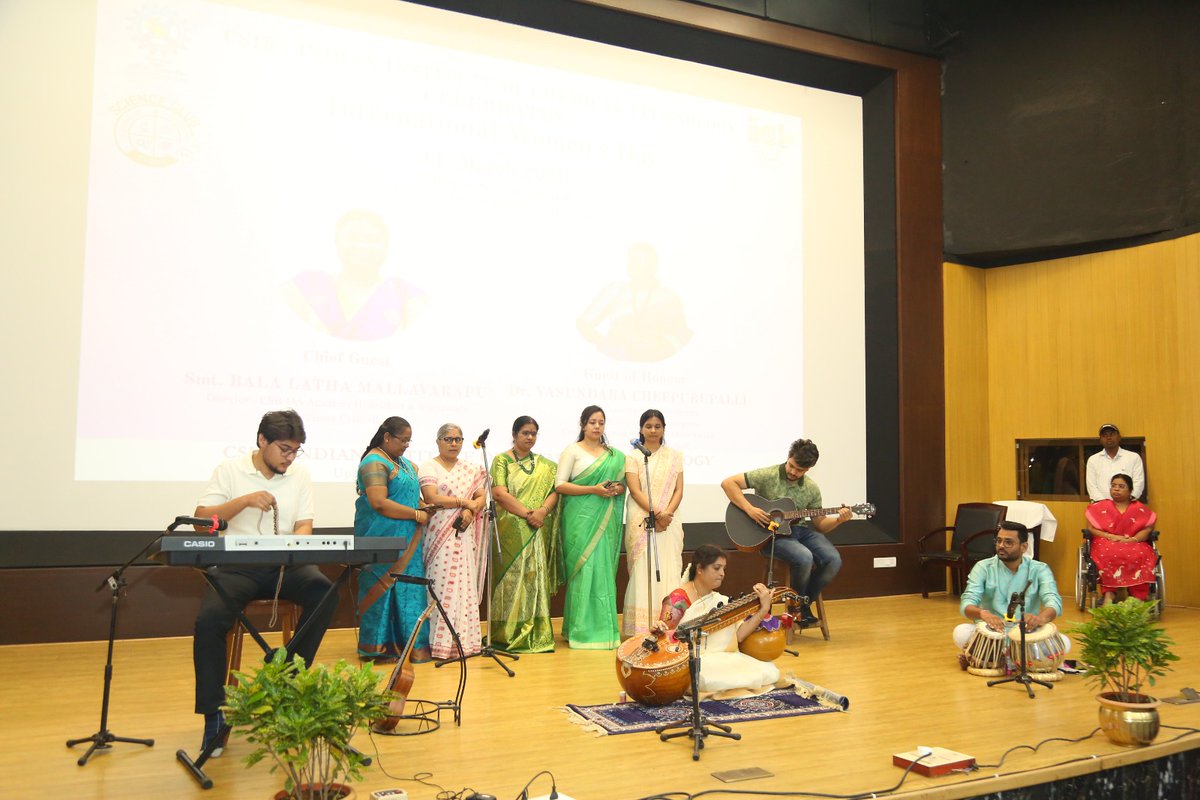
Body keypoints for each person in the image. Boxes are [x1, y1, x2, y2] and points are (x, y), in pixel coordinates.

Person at [192, 410, 336, 756]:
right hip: (236, 568)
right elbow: (200, 522)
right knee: (209, 620)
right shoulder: (230, 470)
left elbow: (304, 525)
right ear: (262, 441)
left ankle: (283, 678)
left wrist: (295, 546)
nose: (290, 457)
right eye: (284, 449)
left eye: (295, 451)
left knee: (325, 591)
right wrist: (244, 501)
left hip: (284, 566)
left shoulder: (300, 475)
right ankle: (215, 713)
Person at [720, 438, 850, 628]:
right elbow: (728, 483)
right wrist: (750, 509)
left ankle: (801, 603)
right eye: (792, 466)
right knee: (804, 557)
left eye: (800, 470)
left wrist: (838, 519)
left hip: (800, 531)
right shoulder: (768, 474)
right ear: (789, 457)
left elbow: (821, 524)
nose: (793, 472)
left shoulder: (811, 488)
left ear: (808, 469)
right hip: (771, 535)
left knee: (833, 559)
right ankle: (799, 608)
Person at [651, 544, 779, 696]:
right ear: (700, 569)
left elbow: (738, 635)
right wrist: (659, 629)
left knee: (769, 671)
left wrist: (763, 609)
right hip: (694, 660)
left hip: (724, 657)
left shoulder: (720, 600)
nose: (722, 574)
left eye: (724, 569)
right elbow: (665, 638)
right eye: (717, 568)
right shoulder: (678, 600)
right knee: (707, 678)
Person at [354, 417, 432, 663]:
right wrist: (417, 514)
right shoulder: (373, 462)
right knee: (381, 590)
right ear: (387, 437)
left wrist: (425, 507)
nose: (406, 445)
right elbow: (379, 502)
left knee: (410, 591)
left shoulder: (407, 464)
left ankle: (410, 647)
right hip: (382, 539)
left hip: (409, 538)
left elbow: (410, 498)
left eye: (409, 441)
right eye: (403, 440)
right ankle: (376, 648)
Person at [286, 208, 426, 340]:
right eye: (353, 238)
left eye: (372, 240)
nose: (362, 246)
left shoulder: (407, 297)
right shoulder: (305, 288)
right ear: (337, 243)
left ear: (386, 247)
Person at [555, 405, 626, 649]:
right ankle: (579, 631)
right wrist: (593, 490)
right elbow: (560, 485)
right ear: (583, 425)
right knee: (583, 572)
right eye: (592, 422)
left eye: (601, 422)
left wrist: (618, 489)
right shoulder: (572, 451)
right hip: (580, 520)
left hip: (605, 521)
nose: (597, 427)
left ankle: (604, 632)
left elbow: (622, 485)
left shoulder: (614, 455)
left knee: (603, 572)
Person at [489, 416, 561, 653]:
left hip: (536, 530)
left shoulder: (547, 466)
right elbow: (499, 493)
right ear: (514, 434)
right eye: (525, 433)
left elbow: (554, 492)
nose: (529, 437)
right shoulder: (501, 461)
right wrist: (528, 514)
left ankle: (536, 635)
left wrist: (541, 512)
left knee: (533, 579)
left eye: (533, 433)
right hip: (511, 531)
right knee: (510, 582)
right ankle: (506, 635)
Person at [419, 424, 488, 660]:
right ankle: (440, 645)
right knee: (440, 587)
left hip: (464, 535)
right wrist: (463, 502)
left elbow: (480, 497)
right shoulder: (430, 466)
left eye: (458, 439)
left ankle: (465, 644)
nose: (454, 443)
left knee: (464, 588)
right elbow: (431, 498)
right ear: (438, 441)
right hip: (439, 536)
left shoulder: (470, 469)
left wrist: (471, 510)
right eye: (448, 439)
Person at [953, 521, 1063, 655]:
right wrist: (982, 613)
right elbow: (967, 603)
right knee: (961, 632)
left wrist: (1040, 619)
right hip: (992, 632)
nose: (1001, 546)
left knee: (1063, 642)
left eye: (1008, 542)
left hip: (1025, 632)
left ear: (1023, 547)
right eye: (998, 541)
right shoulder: (983, 567)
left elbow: (1053, 601)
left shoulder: (1039, 569)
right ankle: (1008, 655)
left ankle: (994, 656)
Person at [622, 409, 684, 636]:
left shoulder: (675, 455)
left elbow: (679, 489)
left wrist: (667, 513)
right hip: (641, 517)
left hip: (670, 519)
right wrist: (657, 512)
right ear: (641, 429)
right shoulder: (633, 457)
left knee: (668, 567)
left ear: (664, 429)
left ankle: (668, 623)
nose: (653, 430)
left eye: (658, 426)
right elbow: (635, 490)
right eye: (648, 426)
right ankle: (641, 627)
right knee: (643, 570)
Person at [1085, 473, 1158, 603]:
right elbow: (1091, 528)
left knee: (1143, 553)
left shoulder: (1139, 508)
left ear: (1130, 490)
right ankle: (1109, 594)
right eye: (1113, 486)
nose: (1116, 489)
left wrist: (1133, 539)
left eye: (1121, 486)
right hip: (1106, 541)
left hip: (1133, 541)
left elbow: (1148, 528)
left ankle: (1138, 597)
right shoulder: (1100, 507)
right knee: (1106, 552)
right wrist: (1109, 536)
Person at [1086, 423, 1145, 502]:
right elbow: (1092, 487)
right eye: (1104, 435)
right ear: (1100, 440)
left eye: (1112, 434)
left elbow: (1138, 482)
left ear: (1119, 437)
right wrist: (1106, 505)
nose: (1108, 437)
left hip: (1127, 505)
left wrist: (1128, 500)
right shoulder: (1093, 460)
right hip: (1101, 507)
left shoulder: (1133, 457)